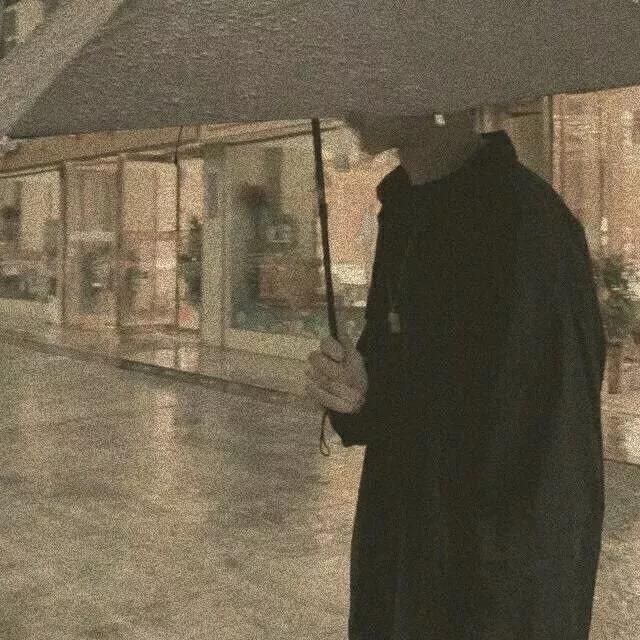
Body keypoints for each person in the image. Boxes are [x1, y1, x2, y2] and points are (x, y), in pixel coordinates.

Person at [305, 109, 606, 639]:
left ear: (432, 88)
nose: (346, 101)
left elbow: (552, 470)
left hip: (479, 605)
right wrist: (359, 394)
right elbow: (409, 396)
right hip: (400, 579)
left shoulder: (526, 226)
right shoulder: (406, 210)